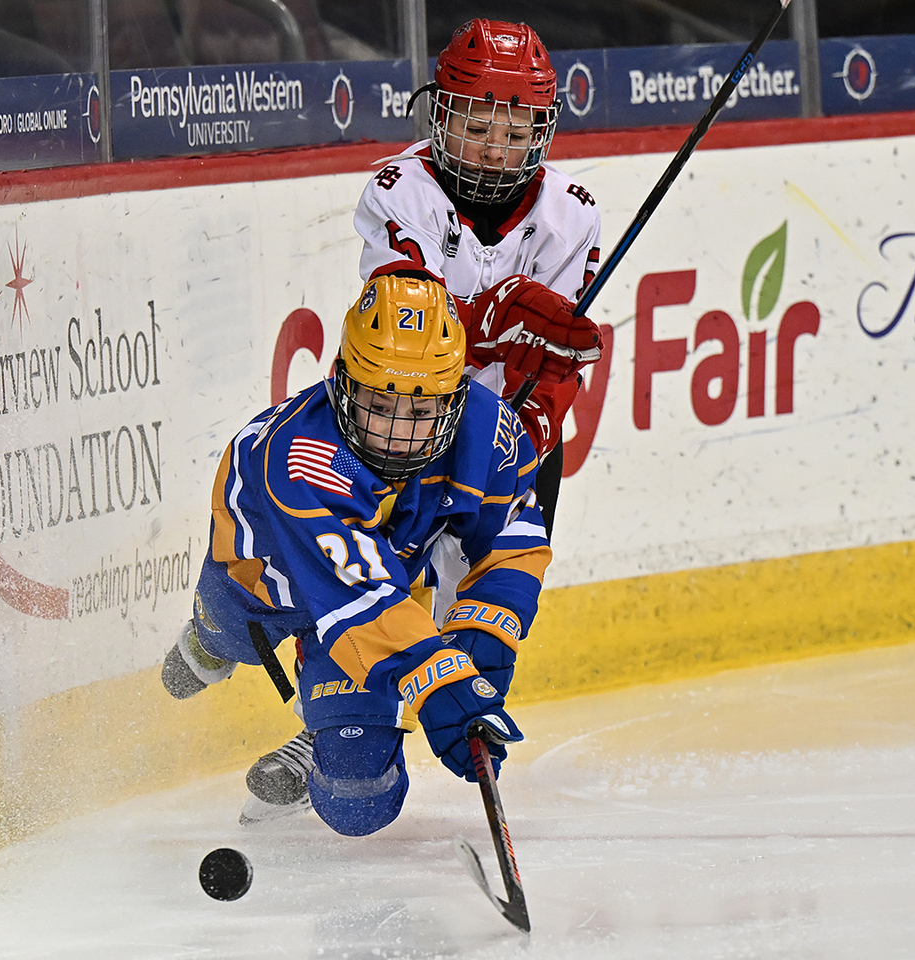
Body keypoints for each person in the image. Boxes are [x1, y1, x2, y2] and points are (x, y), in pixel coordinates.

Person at [238, 18, 605, 820]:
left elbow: (556, 365)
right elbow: (414, 322)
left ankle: (453, 710)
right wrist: (499, 310)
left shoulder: (574, 215)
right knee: (365, 572)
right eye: (476, 125)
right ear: (440, 115)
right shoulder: (398, 191)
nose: (494, 149)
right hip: (394, 422)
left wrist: (530, 431)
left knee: (482, 594)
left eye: (515, 131)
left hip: (497, 441)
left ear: (543, 131)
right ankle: (332, 723)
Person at [161, 274, 550, 835]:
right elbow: (359, 599)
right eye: (380, 405)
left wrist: (484, 637)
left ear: (454, 399)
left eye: (420, 412)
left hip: (374, 594)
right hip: (265, 585)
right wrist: (442, 681)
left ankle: (319, 734)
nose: (397, 434)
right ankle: (207, 644)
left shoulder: (486, 432)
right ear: (343, 383)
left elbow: (512, 538)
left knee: (360, 802)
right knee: (226, 636)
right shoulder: (303, 458)